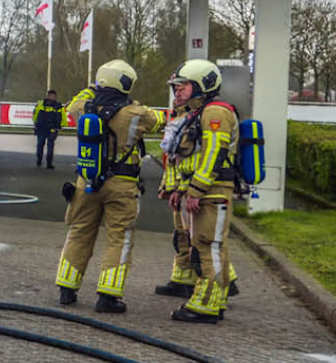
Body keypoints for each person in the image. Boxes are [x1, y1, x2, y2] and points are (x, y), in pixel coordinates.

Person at [54, 61, 162, 313]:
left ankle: (66, 289)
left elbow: (72, 105)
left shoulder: (83, 107)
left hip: (86, 181)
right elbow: (157, 121)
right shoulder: (135, 114)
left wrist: (91, 89)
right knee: (119, 238)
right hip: (121, 185)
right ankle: (108, 296)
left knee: (79, 232)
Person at [157, 59, 240, 323]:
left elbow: (215, 153)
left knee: (208, 246)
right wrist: (180, 190)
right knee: (206, 246)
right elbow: (189, 159)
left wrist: (195, 190)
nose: (178, 91)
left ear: (203, 85)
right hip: (204, 190)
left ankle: (206, 304)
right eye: (176, 87)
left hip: (213, 191)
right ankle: (214, 299)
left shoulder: (215, 112)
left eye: (183, 86)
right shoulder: (196, 113)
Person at [33, 90, 65, 168]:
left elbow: (63, 116)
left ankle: (49, 163)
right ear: (47, 96)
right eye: (49, 95)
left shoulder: (58, 106)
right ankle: (39, 160)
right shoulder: (40, 103)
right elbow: (35, 114)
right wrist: (35, 124)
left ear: (55, 97)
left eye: (52, 96)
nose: (51, 97)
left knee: (50, 146)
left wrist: (60, 126)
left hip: (52, 128)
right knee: (40, 145)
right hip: (41, 128)